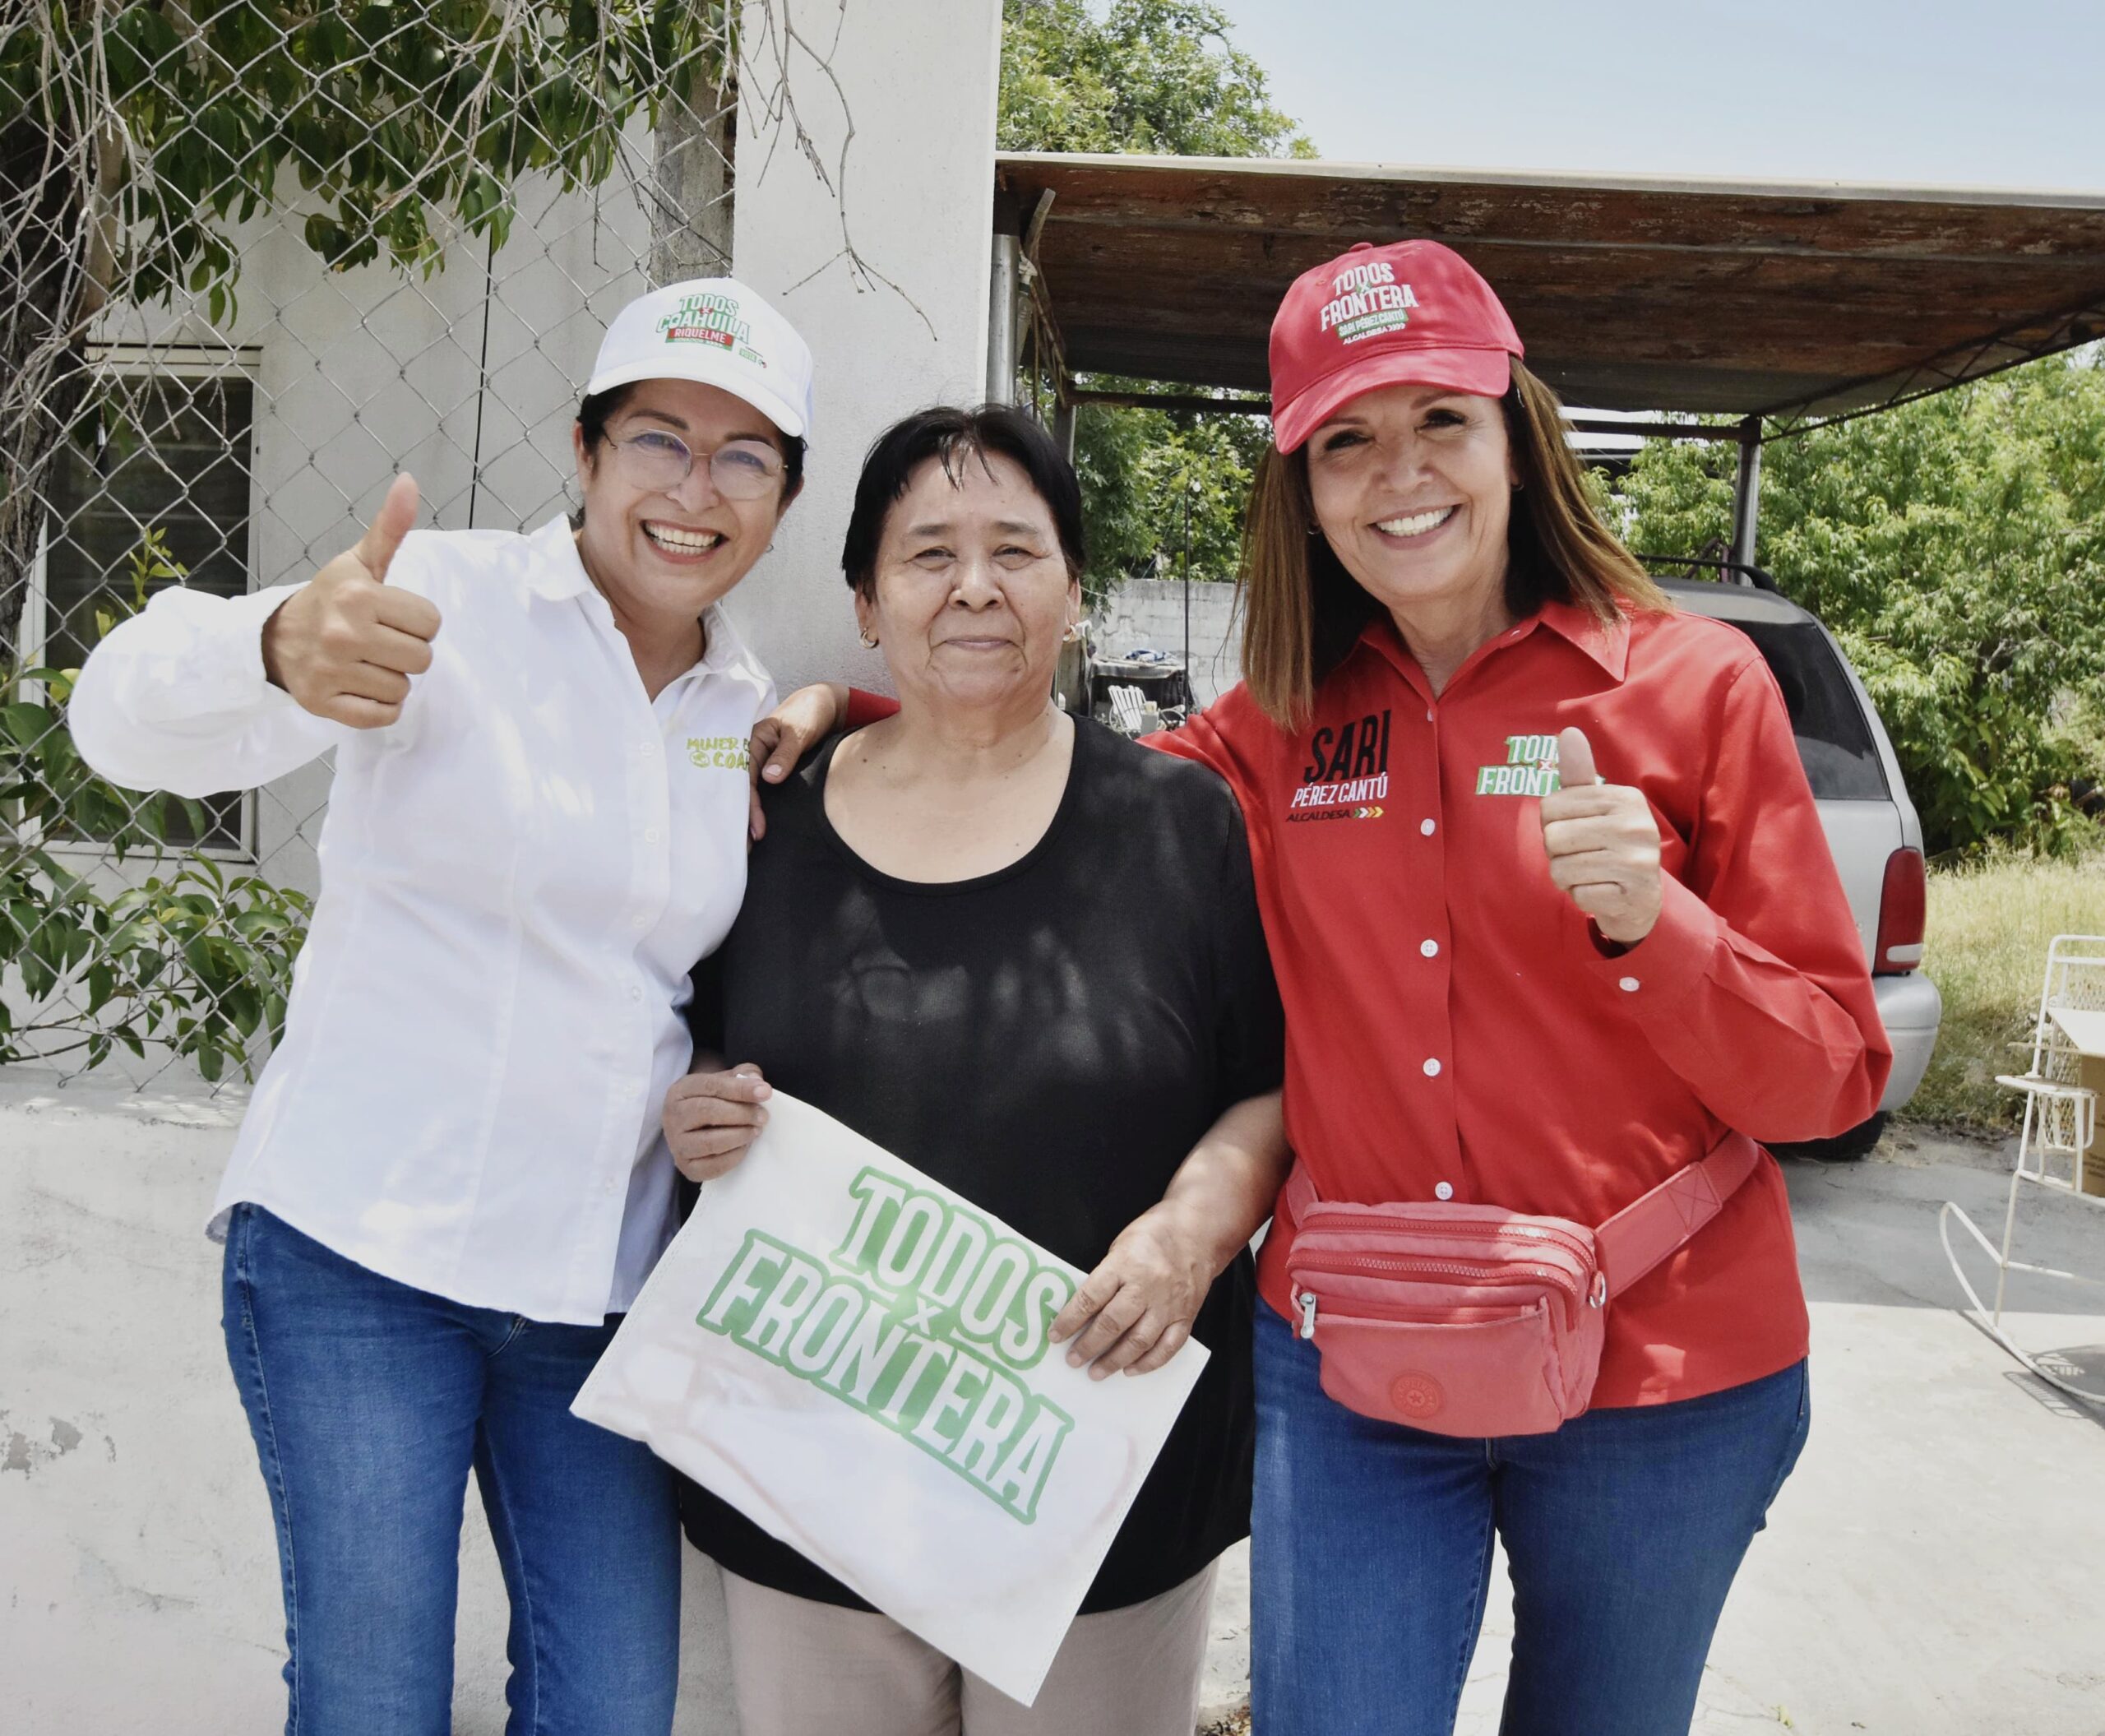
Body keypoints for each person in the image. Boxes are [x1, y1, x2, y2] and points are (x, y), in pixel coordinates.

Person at [752, 241, 1892, 1736]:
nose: (1397, 475)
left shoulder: (1692, 685)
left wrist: (1658, 927)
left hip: (1660, 1377)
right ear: (1302, 485)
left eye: (1440, 422)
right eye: (1346, 440)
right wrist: (867, 704)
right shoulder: (1277, 727)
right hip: (1358, 1376)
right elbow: (1070, 785)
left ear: (1515, 436)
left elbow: (1830, 1080)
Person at [67, 276, 815, 1736]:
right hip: (361, 1262)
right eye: (658, 438)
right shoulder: (440, 606)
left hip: (595, 1297)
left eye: (745, 458)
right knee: (373, 1706)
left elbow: (684, 982)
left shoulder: (748, 712)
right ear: (588, 453)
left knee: (609, 1711)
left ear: (782, 499)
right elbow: (115, 712)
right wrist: (275, 642)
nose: (694, 488)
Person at [661, 404, 1288, 1736]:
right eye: (928, 552)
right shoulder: (767, 822)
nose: (975, 585)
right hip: (813, 1476)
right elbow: (694, 1032)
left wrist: (1192, 1236)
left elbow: (1270, 1085)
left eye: (1017, 547)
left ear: (1071, 588)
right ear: (867, 602)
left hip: (1093, 1486)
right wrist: (698, 1106)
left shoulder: (1181, 827)